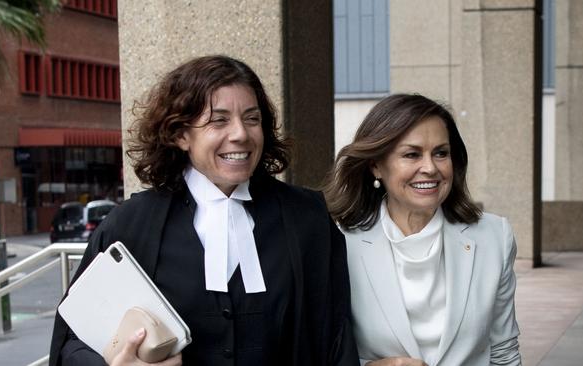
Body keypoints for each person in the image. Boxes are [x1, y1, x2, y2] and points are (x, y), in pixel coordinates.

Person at [49, 55, 358, 366]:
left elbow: (338, 337)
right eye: (219, 120)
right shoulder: (130, 225)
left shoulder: (308, 218)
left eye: (252, 119)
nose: (240, 133)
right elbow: (72, 341)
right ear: (181, 135)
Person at [323, 94, 521, 366]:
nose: (430, 168)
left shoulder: (494, 237)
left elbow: (503, 352)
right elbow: (321, 352)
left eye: (441, 153)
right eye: (411, 154)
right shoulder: (340, 240)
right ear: (376, 165)